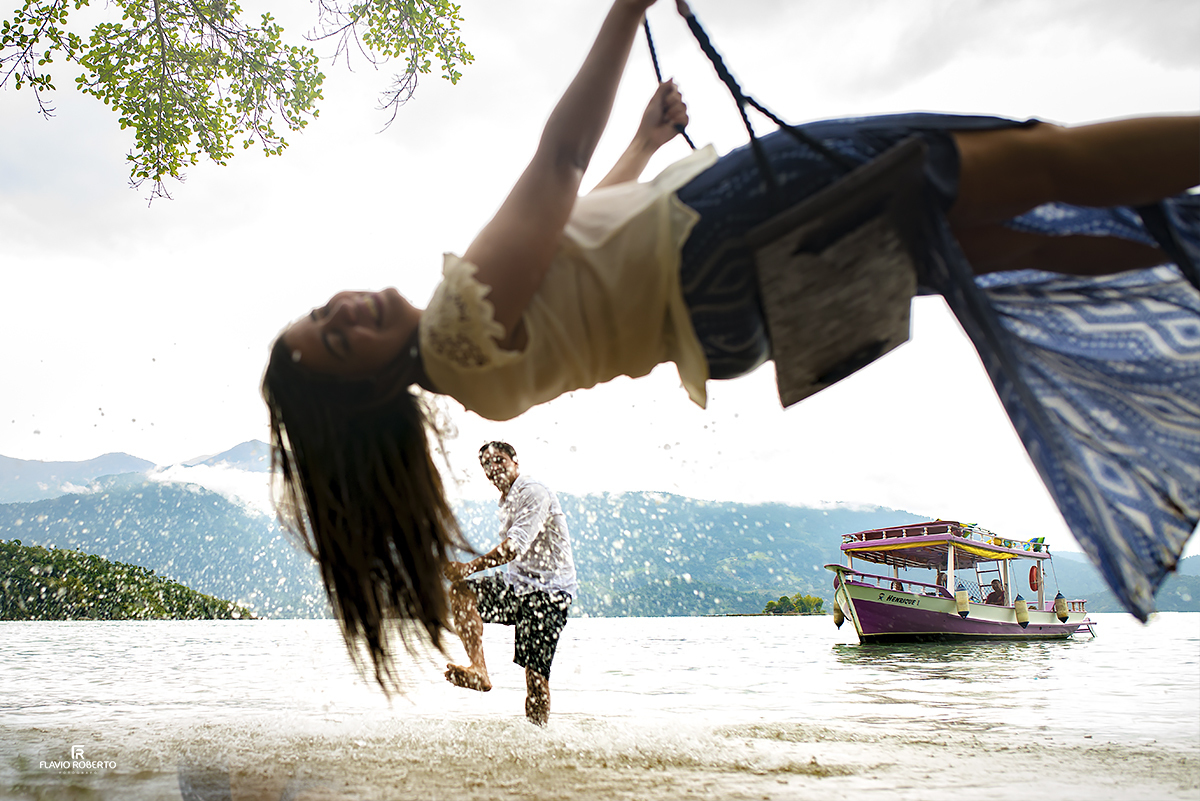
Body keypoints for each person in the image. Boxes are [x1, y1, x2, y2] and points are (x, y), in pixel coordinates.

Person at [262, 0, 1199, 689]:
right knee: (1031, 162)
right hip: (719, 236)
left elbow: (581, 227)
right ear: (369, 389)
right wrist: (627, 10)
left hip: (735, 316)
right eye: (336, 343)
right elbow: (558, 164)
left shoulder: (476, 373)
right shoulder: (459, 324)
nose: (341, 314)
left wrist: (645, 134)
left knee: (991, 241)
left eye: (321, 314)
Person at [443, 442, 577, 726]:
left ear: (516, 462)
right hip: (518, 587)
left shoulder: (532, 492)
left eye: (499, 460)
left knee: (535, 679)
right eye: (487, 464)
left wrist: (469, 566)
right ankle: (479, 669)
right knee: (462, 593)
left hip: (549, 594)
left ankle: (538, 739)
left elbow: (514, 547)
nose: (494, 468)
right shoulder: (505, 500)